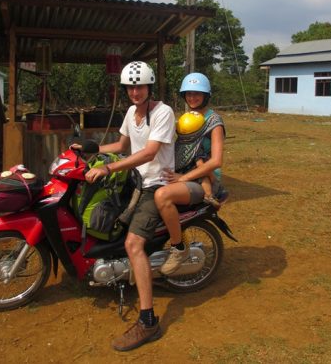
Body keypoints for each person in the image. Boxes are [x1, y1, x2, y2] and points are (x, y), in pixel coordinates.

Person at [81, 61, 175, 352]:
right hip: (134, 181)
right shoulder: (131, 113)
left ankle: (148, 321)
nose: (135, 92)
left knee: (133, 244)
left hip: (155, 184)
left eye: (140, 86)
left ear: (150, 87)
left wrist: (108, 170)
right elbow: (122, 146)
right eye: (131, 87)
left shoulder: (163, 112)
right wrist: (90, 149)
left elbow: (148, 153)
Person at [154, 72, 225, 276]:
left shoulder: (214, 121)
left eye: (198, 94)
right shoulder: (187, 118)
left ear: (206, 95)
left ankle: (179, 250)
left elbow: (216, 161)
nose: (192, 97)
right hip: (185, 173)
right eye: (189, 93)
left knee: (164, 196)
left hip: (205, 178)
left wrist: (183, 177)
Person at [176, 111, 220, 209]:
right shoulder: (196, 147)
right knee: (204, 178)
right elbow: (200, 165)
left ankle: (208, 196)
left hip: (179, 173)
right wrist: (212, 178)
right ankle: (209, 196)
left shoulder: (177, 144)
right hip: (191, 174)